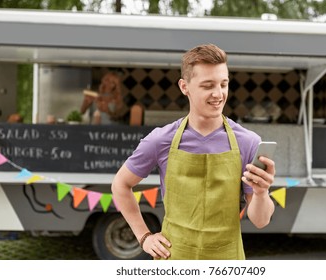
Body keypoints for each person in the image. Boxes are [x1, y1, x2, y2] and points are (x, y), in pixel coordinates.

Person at [111, 44, 275, 260]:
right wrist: (144, 237)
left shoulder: (248, 142)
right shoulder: (161, 139)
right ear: (184, 86)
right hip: (174, 259)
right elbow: (120, 185)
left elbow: (260, 221)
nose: (218, 94)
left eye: (223, 84)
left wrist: (262, 193)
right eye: (208, 85)